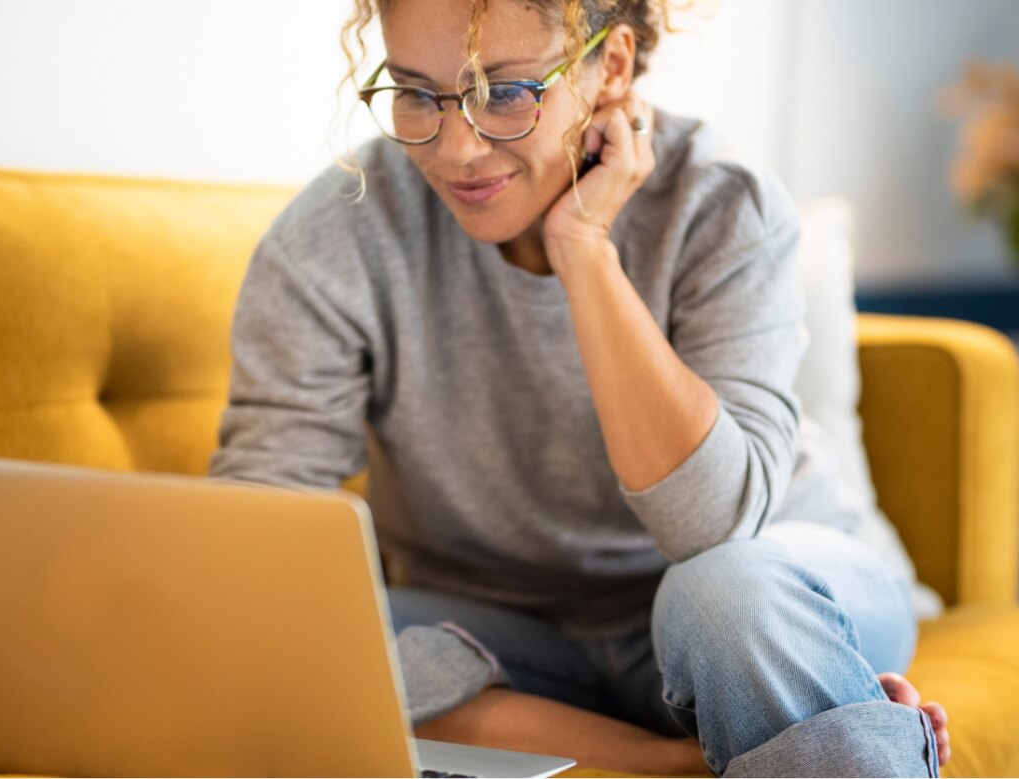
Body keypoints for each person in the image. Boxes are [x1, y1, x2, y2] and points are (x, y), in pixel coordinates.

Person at [209, 0, 951, 774]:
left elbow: (713, 526)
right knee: (296, 639)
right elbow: (265, 541)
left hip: (756, 590)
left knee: (727, 596)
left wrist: (584, 249)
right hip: (501, 634)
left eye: (505, 91)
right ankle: (682, 760)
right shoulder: (335, 234)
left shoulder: (720, 201)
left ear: (614, 66)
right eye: (417, 93)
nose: (457, 147)